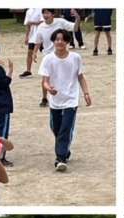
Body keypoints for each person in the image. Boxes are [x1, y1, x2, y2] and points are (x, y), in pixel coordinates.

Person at [39, 29, 92, 172]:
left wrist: (86, 93)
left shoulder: (75, 57)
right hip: (55, 100)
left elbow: (80, 77)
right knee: (56, 128)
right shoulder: (48, 59)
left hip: (71, 99)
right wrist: (49, 89)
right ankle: (65, 150)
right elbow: (45, 81)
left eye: (62, 39)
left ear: (67, 41)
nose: (59, 42)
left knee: (65, 128)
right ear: (53, 41)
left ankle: (60, 158)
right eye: (57, 39)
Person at [33, 9, 80, 107]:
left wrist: (77, 18)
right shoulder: (41, 27)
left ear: (53, 14)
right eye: (44, 13)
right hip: (48, 56)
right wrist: (34, 53)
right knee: (45, 78)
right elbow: (38, 41)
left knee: (63, 76)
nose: (45, 15)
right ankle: (44, 98)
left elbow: (75, 28)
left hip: (62, 55)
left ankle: (66, 96)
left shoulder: (60, 22)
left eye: (47, 13)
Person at [19, 8, 43, 78]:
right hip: (33, 36)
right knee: (29, 52)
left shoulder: (41, 9)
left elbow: (43, 21)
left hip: (42, 33)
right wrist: (27, 36)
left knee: (47, 51)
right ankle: (28, 71)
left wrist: (33, 23)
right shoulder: (29, 11)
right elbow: (28, 25)